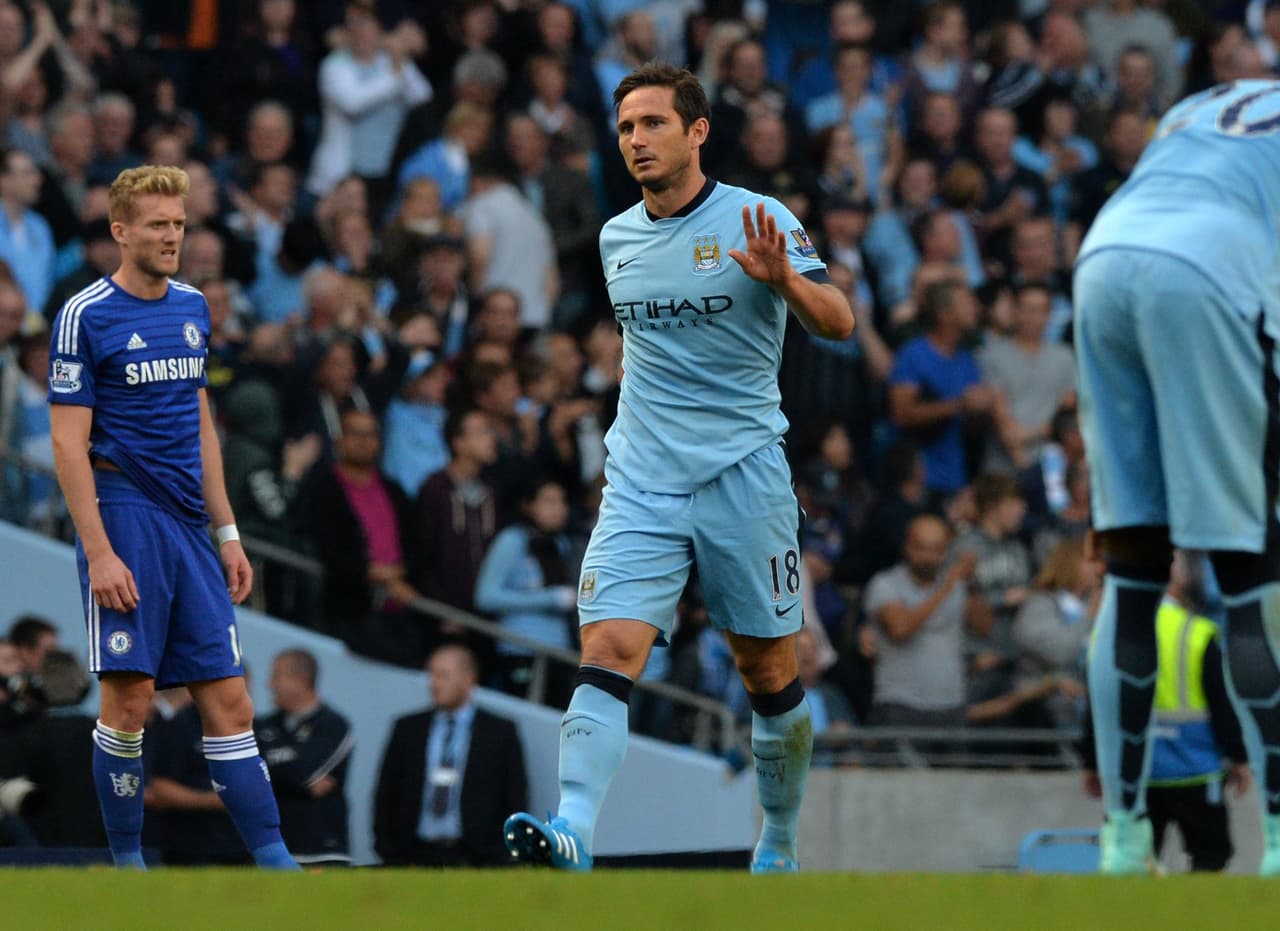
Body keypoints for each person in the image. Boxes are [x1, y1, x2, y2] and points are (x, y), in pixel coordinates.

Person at [503, 63, 852, 874]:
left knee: (768, 668)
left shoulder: (758, 216)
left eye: (653, 123)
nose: (636, 140)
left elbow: (838, 320)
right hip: (642, 478)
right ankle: (575, 834)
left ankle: (780, 840)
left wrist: (786, 281)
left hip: (745, 474)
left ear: (697, 131)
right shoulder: (615, 236)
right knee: (611, 644)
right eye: (626, 127)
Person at [46, 165, 298, 870]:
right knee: (128, 706)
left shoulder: (193, 305)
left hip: (190, 523)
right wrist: (98, 550)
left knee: (232, 703)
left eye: (180, 225)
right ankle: (131, 868)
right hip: (123, 513)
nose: (172, 237)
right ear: (120, 231)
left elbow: (201, 426)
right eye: (158, 225)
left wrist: (227, 531)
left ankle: (280, 867)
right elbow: (68, 442)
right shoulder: (85, 314)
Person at [1072, 78, 1280, 875]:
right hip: (1209, 272)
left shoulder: (1208, 98)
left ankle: (1122, 839)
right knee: (1247, 567)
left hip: (1106, 258)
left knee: (1132, 572)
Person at [1082, 551, 1250, 872]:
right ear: (1180, 577)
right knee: (1210, 858)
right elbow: (1221, 702)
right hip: (1195, 769)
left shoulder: (1110, 632)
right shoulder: (1196, 632)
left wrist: (1091, 761)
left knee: (1135, 863)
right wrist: (1239, 756)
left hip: (1135, 775)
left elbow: (1098, 705)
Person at [374, 643, 527, 867]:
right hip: (413, 857)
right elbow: (386, 792)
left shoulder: (499, 732)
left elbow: (514, 795)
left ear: (468, 679)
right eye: (431, 675)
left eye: (443, 675)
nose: (434, 684)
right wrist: (388, 851)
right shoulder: (407, 728)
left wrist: (500, 854)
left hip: (477, 859)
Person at [257, 649, 354, 866]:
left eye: (276, 676)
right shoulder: (263, 725)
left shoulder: (334, 725)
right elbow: (251, 775)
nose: (269, 684)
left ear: (300, 680)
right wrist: (300, 781)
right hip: (274, 849)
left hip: (322, 851)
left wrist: (272, 773)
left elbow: (307, 773)